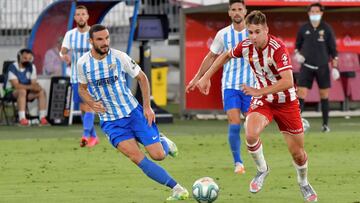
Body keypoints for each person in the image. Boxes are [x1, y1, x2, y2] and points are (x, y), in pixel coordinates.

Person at [197, 11, 318, 202]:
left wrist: (258, 91)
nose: (252, 36)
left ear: (266, 30)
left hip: (287, 102)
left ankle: (303, 182)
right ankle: (262, 170)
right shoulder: (246, 46)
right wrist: (205, 77)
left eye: (257, 32)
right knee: (251, 133)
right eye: (250, 32)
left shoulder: (277, 48)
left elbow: (287, 81)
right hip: (264, 101)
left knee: (298, 154)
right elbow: (224, 56)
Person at [77, 24, 189, 201]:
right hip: (111, 122)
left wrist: (147, 106)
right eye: (100, 39)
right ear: (91, 41)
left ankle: (164, 141)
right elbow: (81, 89)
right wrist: (91, 102)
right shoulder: (83, 63)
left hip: (133, 113)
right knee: (137, 158)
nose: (105, 42)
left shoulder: (119, 57)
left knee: (159, 155)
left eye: (107, 38)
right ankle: (177, 188)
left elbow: (142, 78)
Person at [185, 0, 255, 175]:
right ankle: (238, 162)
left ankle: (257, 159)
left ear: (245, 11)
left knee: (252, 127)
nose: (237, 12)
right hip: (230, 85)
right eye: (234, 10)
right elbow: (211, 56)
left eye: (240, 9)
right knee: (234, 122)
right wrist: (198, 77)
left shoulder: (254, 32)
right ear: (229, 13)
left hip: (252, 86)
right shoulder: (223, 35)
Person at [294, 2, 339, 132]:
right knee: (301, 93)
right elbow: (297, 46)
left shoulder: (327, 29)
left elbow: (333, 50)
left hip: (323, 66)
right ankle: (296, 125)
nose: (314, 14)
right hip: (306, 66)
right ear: (308, 13)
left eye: (316, 12)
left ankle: (325, 125)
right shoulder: (303, 28)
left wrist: (335, 67)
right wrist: (298, 55)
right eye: (312, 12)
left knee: (324, 94)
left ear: (321, 13)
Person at [60, 5, 98, 147]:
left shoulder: (94, 33)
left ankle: (86, 135)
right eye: (78, 14)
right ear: (75, 17)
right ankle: (93, 135)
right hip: (76, 77)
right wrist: (64, 56)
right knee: (82, 107)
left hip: (92, 77)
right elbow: (62, 51)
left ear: (87, 16)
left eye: (83, 14)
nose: (81, 17)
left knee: (88, 106)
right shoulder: (70, 34)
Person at [4, 48, 49, 126]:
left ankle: (42, 118)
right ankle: (22, 119)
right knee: (22, 91)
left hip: (26, 92)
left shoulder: (32, 67)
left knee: (41, 91)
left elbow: (34, 84)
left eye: (29, 59)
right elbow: (16, 85)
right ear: (19, 57)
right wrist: (32, 87)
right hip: (11, 92)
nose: (27, 60)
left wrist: (37, 87)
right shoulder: (12, 67)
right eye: (25, 58)